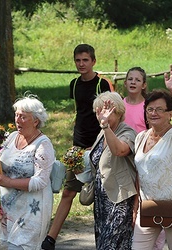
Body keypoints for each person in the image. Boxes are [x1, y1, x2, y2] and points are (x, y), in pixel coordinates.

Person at [42, 44, 111, 250]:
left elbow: (111, 115)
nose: (81, 64)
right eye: (78, 60)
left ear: (93, 61)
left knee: (102, 195)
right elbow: (79, 112)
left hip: (100, 145)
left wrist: (101, 143)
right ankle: (50, 238)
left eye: (85, 60)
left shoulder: (102, 84)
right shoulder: (74, 84)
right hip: (78, 147)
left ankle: (106, 237)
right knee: (68, 192)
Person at [132, 65, 172, 249]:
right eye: (150, 109)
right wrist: (136, 205)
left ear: (169, 113)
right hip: (148, 206)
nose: (154, 113)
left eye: (159, 109)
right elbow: (140, 175)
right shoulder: (141, 137)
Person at [0, 94, 55, 249]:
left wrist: (8, 182)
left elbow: (40, 181)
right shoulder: (10, 138)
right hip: (8, 212)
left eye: (23, 117)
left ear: (36, 121)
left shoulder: (43, 145)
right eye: (17, 115)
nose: (17, 120)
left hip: (31, 214)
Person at [122, 67, 166, 250]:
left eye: (137, 80)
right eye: (130, 79)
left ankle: (157, 240)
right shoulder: (120, 105)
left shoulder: (147, 107)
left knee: (146, 197)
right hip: (124, 159)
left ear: (144, 84)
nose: (133, 82)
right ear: (125, 83)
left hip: (144, 158)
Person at [90, 91, 137, 249]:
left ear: (118, 113)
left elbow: (119, 150)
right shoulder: (102, 133)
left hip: (119, 199)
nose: (101, 115)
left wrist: (105, 126)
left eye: (105, 111)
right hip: (101, 200)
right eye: (98, 111)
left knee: (110, 245)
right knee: (104, 243)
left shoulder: (127, 132)